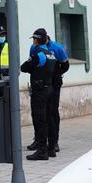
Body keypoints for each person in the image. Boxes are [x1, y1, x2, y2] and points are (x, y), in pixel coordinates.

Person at [27, 28, 70, 155]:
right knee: (38, 115)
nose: (34, 41)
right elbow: (32, 64)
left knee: (51, 113)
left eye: (36, 39)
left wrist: (53, 75)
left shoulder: (57, 48)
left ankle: (53, 141)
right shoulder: (34, 47)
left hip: (54, 84)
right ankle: (39, 140)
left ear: (44, 38)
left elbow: (65, 65)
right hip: (40, 85)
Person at [19, 31, 56, 160]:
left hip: (40, 91)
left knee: (40, 120)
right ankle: (51, 148)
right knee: (49, 119)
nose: (33, 41)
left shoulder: (38, 53)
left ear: (36, 40)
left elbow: (24, 67)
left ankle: (42, 151)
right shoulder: (50, 54)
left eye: (33, 39)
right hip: (50, 89)